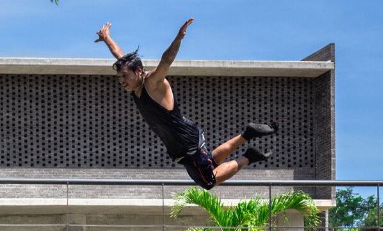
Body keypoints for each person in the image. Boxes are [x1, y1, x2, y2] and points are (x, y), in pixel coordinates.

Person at [95, 18, 275, 189]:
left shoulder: (152, 83)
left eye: (124, 76)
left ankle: (248, 157)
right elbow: (119, 56)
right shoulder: (135, 85)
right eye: (119, 77)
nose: (122, 81)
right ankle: (247, 134)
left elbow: (166, 61)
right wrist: (107, 38)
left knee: (208, 182)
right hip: (185, 141)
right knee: (210, 162)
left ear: (139, 70)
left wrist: (179, 38)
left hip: (186, 143)